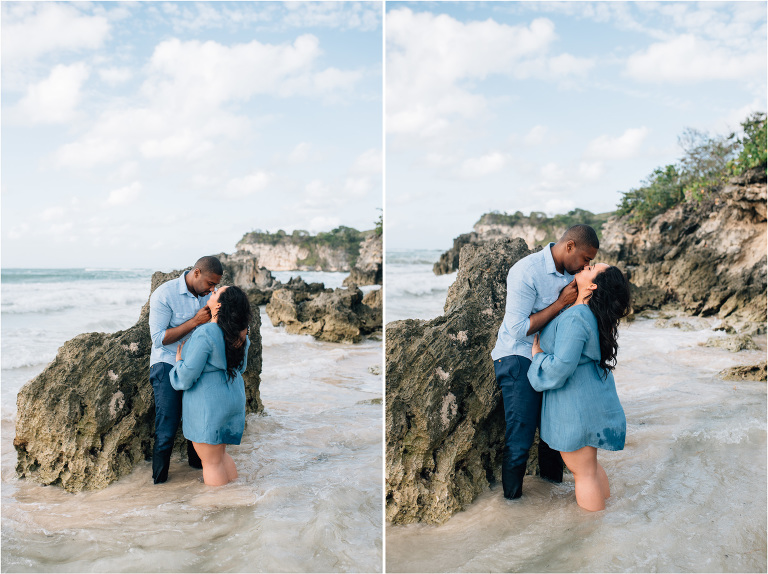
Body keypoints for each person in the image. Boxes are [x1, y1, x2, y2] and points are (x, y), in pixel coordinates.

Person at [491, 225, 599, 499]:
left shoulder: (573, 274)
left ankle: (550, 503)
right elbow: (516, 328)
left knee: (553, 435)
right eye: (586, 258)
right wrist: (561, 303)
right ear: (570, 246)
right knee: (521, 438)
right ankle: (511, 506)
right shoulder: (527, 271)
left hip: (549, 359)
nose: (587, 265)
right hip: (517, 356)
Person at [528, 263, 631, 511]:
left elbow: (561, 366)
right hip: (588, 398)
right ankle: (607, 519)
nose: (586, 266)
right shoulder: (589, 314)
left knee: (582, 472)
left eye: (591, 267)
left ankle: (593, 532)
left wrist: (537, 356)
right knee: (590, 468)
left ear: (593, 285)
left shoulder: (577, 316)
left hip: (576, 406)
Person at [148, 256, 223, 484]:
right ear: (197, 273)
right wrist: (194, 322)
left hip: (197, 364)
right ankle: (158, 484)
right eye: (210, 283)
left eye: (215, 285)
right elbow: (159, 339)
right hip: (167, 363)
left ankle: (197, 479)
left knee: (198, 424)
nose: (212, 289)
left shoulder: (210, 294)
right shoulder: (165, 294)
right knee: (167, 428)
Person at [170, 285, 252, 486]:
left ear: (219, 305)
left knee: (211, 462)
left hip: (209, 404)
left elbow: (188, 376)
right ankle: (233, 498)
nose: (212, 292)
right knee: (221, 456)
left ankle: (218, 508)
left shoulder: (206, 332)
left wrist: (179, 362)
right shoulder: (241, 334)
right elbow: (240, 368)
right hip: (232, 398)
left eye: (216, 293)